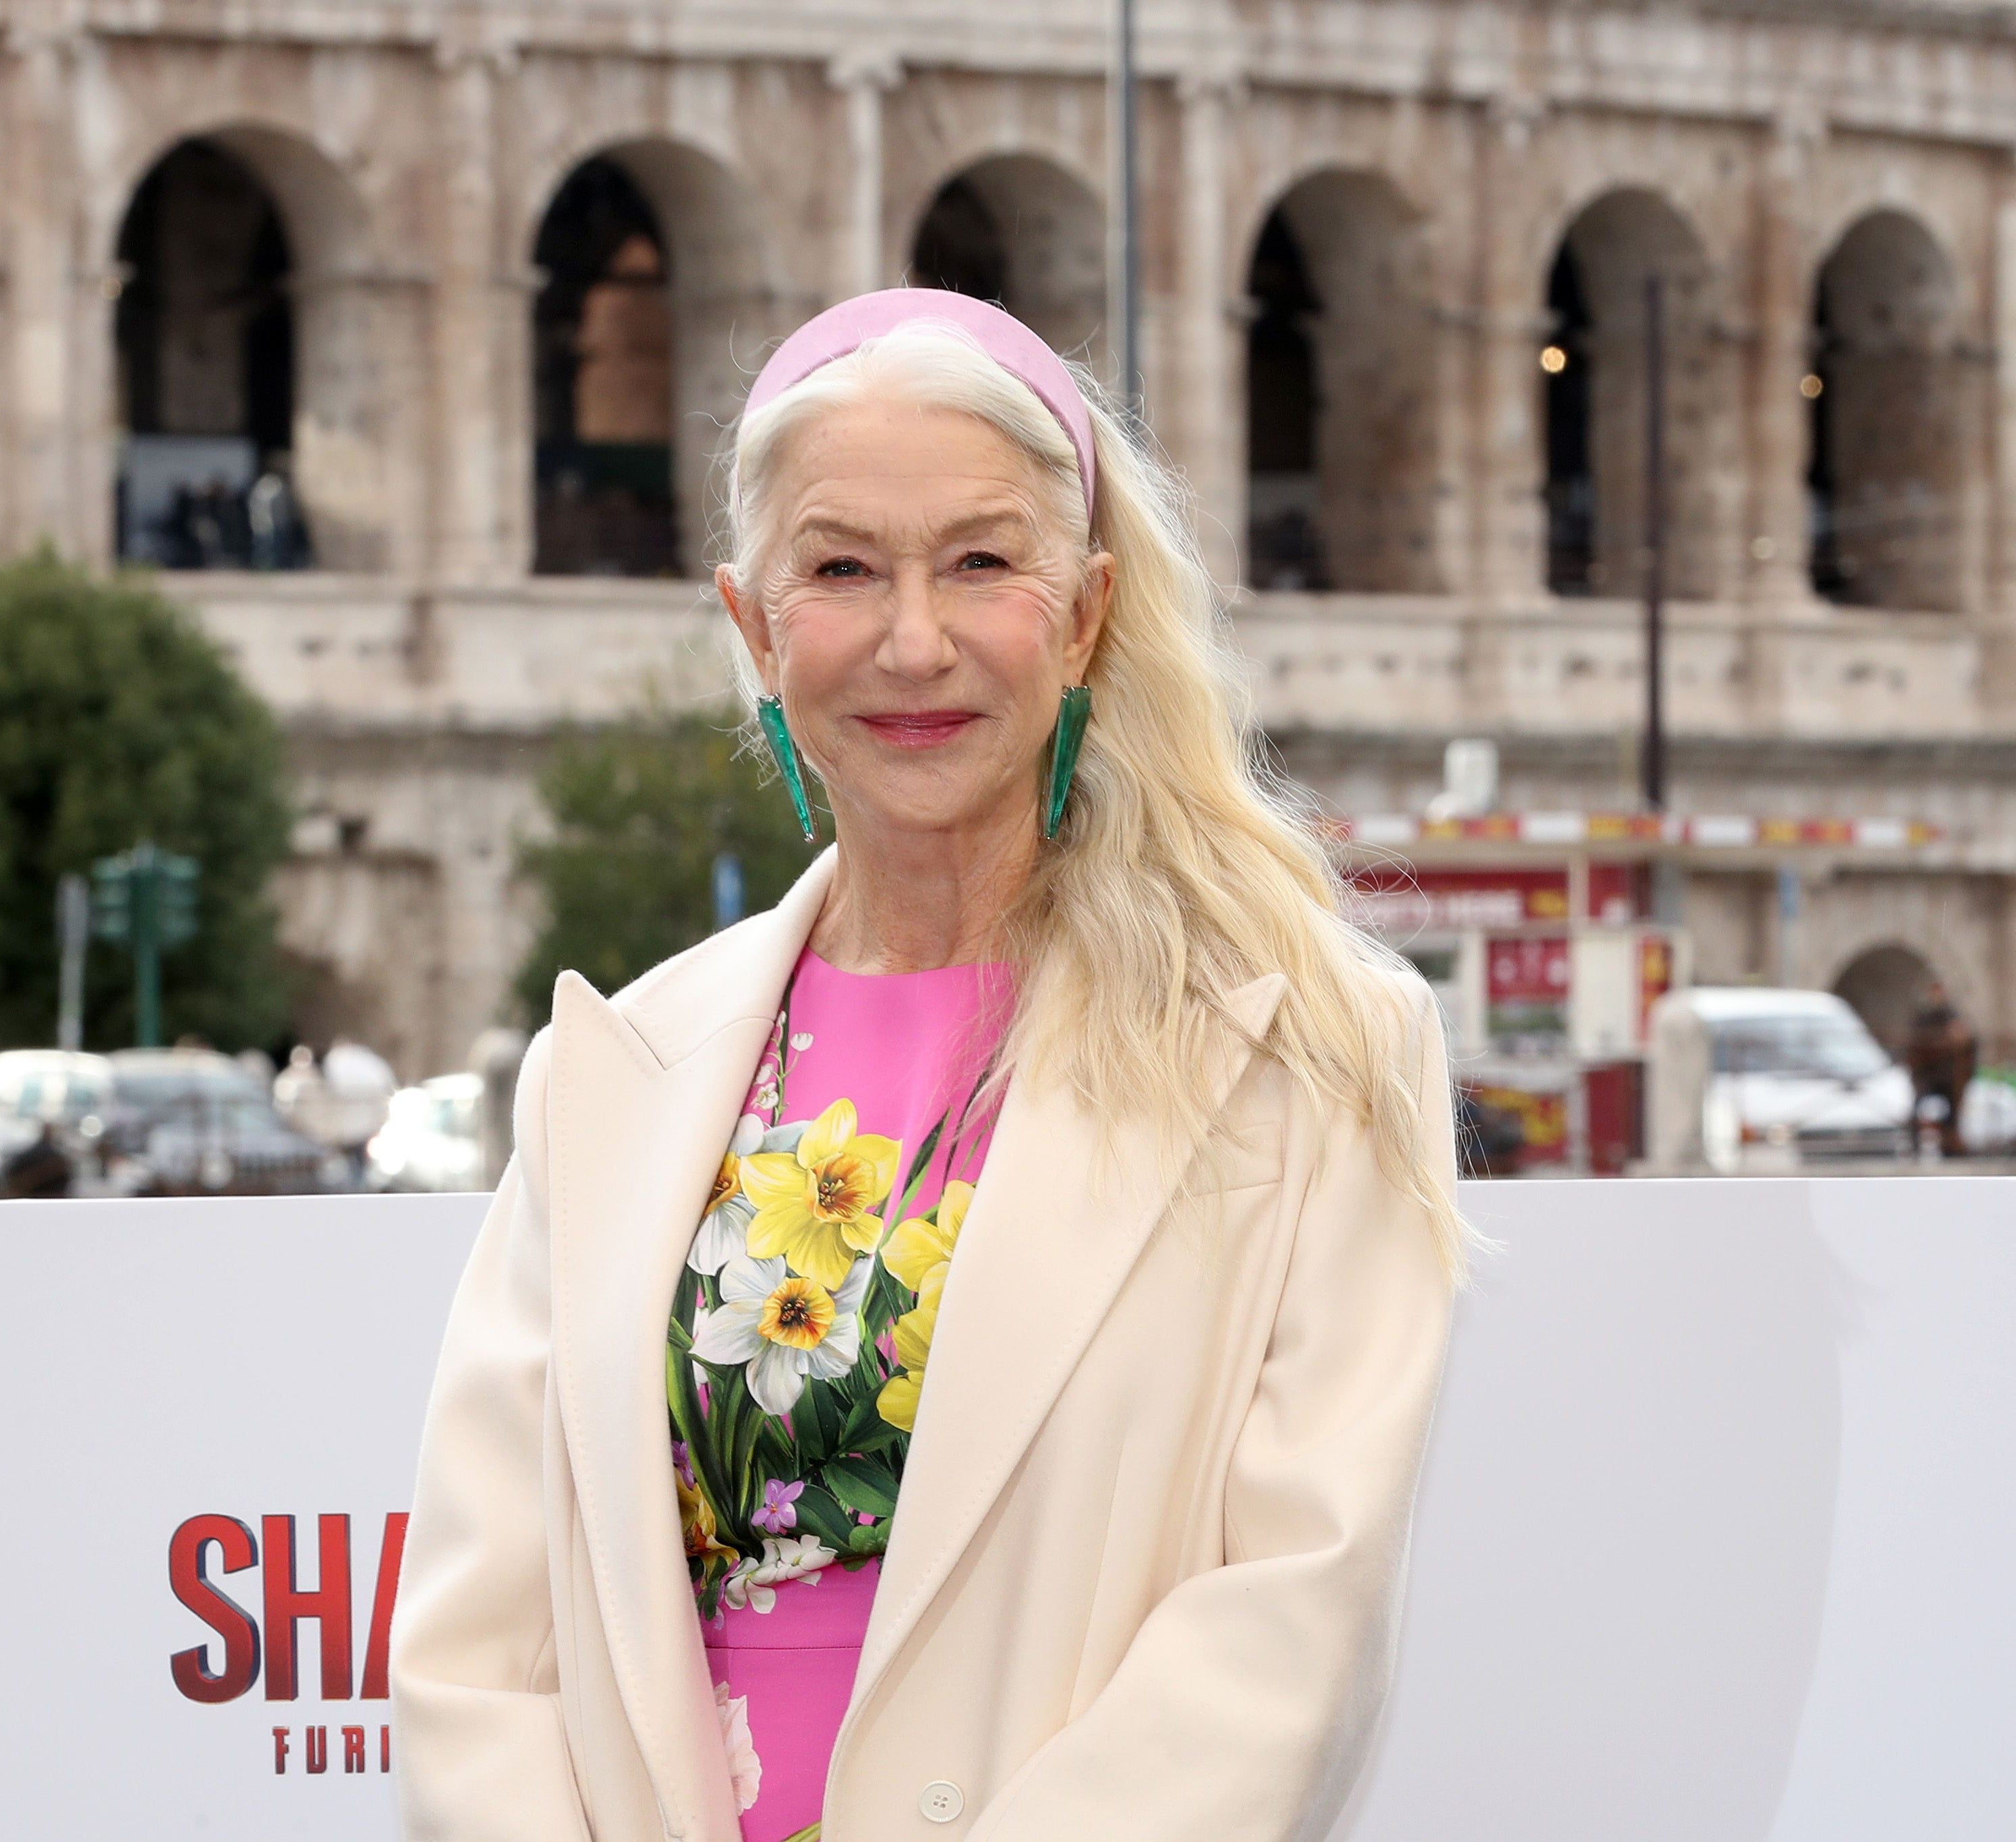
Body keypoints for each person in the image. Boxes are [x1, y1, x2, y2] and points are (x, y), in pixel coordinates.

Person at [392, 289, 1466, 1841]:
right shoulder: (618, 1070)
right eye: (838, 569)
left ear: (1085, 612)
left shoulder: (1314, 1049)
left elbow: (1288, 1621)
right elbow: (478, 1642)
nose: (913, 640)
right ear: (752, 629)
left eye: (980, 562)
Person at [1905, 981, 1977, 1156]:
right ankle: (1916, 1145)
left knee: (1952, 1112)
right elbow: (1915, 1045)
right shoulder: (1924, 1018)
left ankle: (1951, 1144)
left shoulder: (1951, 1015)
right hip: (1928, 1075)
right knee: (1918, 1108)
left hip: (1948, 1076)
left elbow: (1967, 1042)